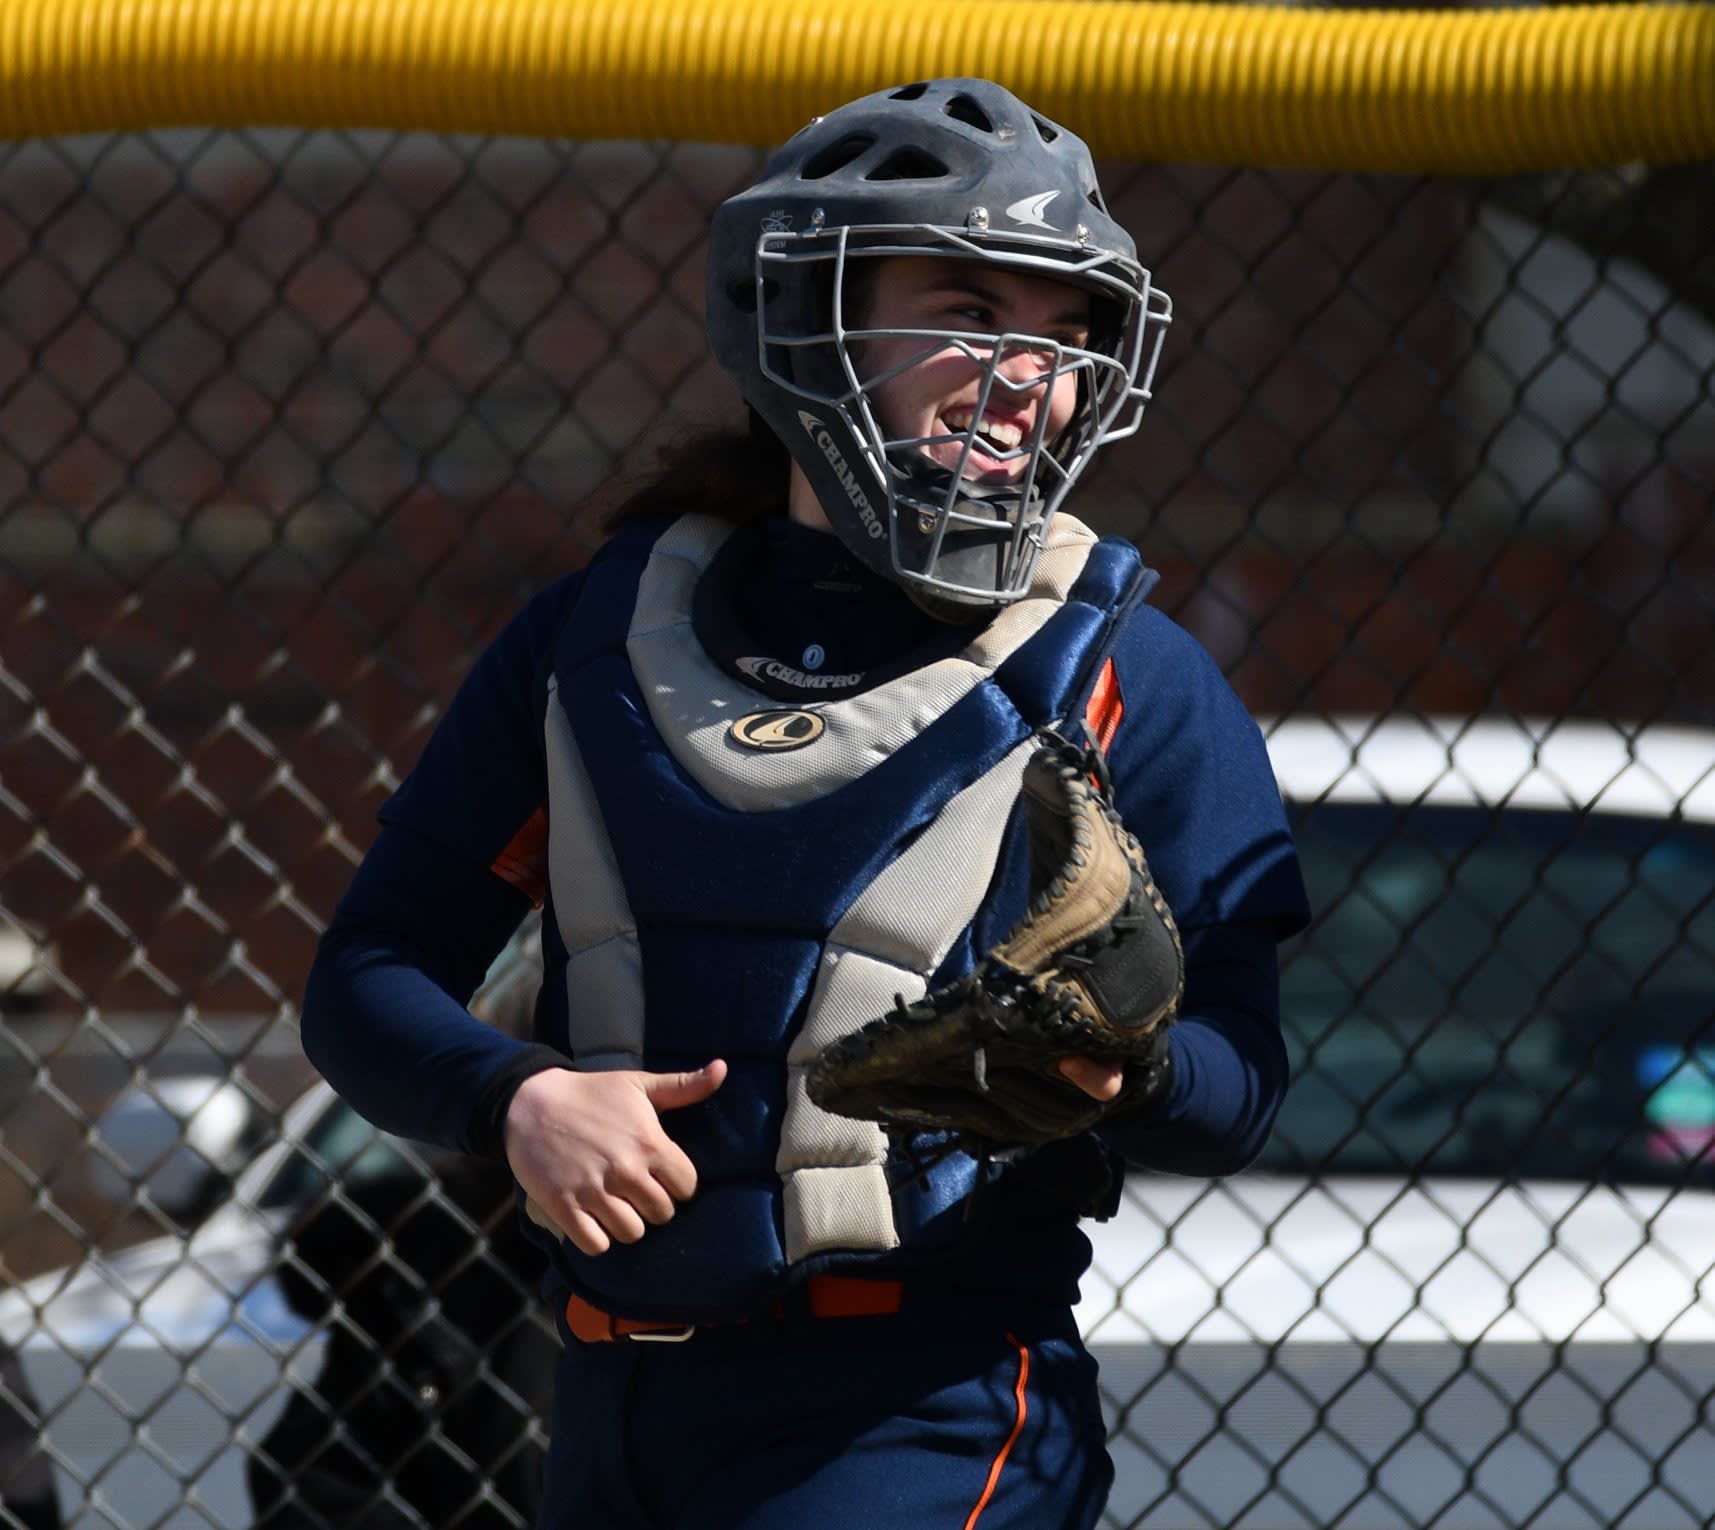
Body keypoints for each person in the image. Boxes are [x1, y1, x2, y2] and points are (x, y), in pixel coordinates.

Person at [301, 77, 1310, 1529]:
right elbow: (367, 975)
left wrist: (1124, 1069)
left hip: (919, 1408)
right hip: (601, 1404)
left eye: (1066, 328)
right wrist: (514, 1093)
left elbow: (1243, 1082)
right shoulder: (600, 634)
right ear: (807, 310)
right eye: (968, 305)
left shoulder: (1124, 669)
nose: (1029, 369)